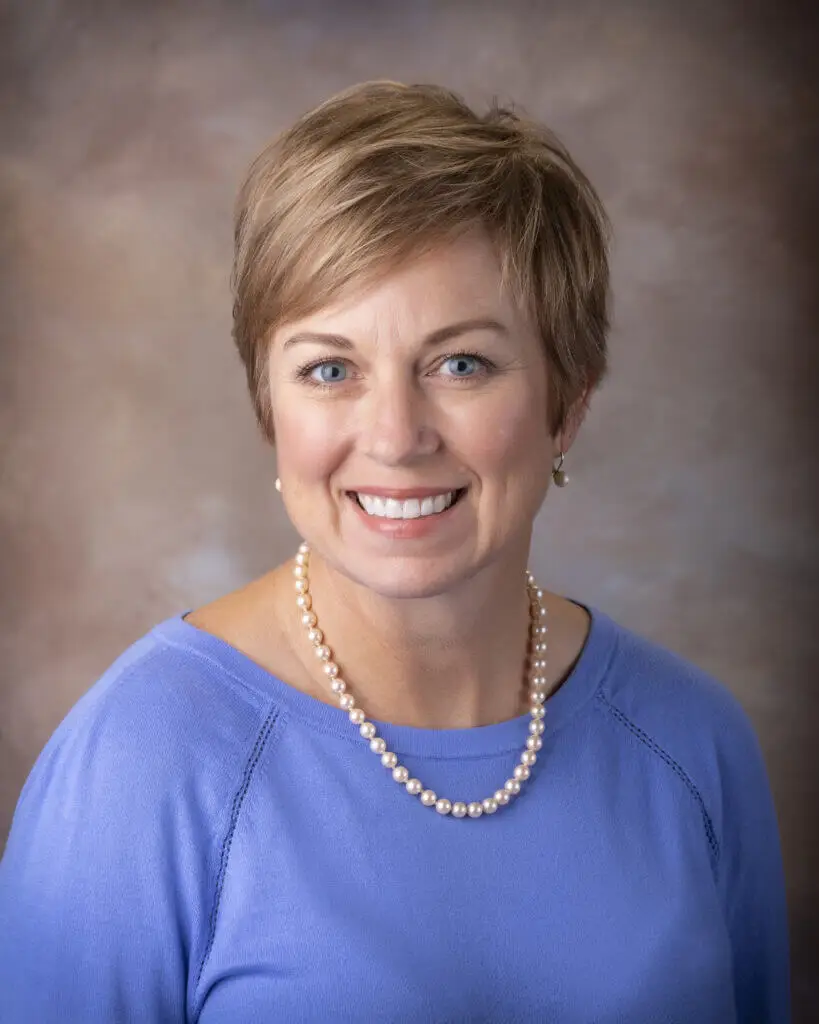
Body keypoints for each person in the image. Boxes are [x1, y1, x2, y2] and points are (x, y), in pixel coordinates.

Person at [0, 81, 790, 1023]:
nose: (395, 435)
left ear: (568, 400)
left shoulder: (692, 741)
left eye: (461, 364)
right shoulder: (138, 766)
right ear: (269, 409)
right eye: (329, 369)